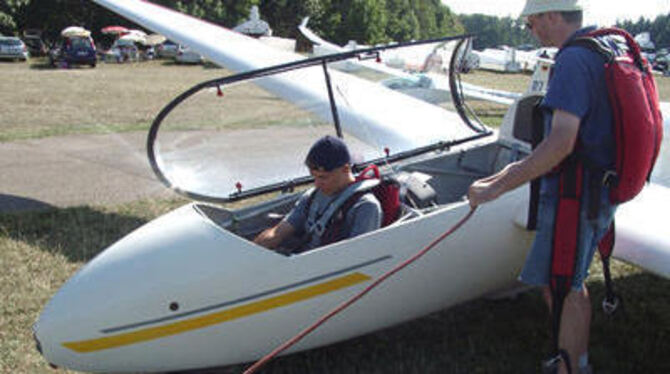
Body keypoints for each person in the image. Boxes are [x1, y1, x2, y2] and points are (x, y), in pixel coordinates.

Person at [467, 1, 617, 373]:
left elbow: (561, 142)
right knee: (569, 279)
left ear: (552, 16)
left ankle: (572, 366)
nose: (532, 32)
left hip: (575, 193)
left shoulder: (572, 60)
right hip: (599, 188)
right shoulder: (603, 47)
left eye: (532, 24)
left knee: (561, 283)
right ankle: (576, 360)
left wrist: (498, 185)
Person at [254, 135, 382, 252]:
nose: (317, 184)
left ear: (345, 169)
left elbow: (359, 255)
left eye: (323, 177)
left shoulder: (365, 207)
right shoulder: (312, 197)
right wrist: (253, 252)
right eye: (314, 177)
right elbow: (278, 233)